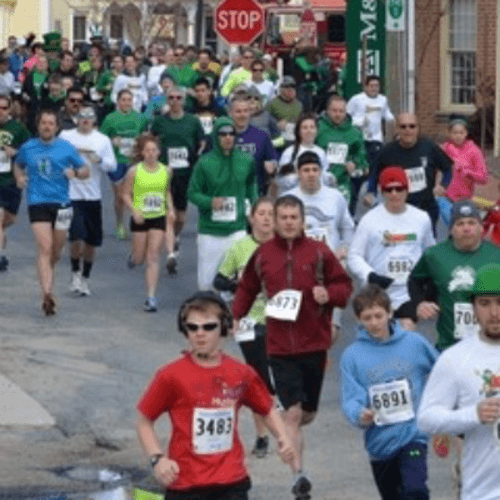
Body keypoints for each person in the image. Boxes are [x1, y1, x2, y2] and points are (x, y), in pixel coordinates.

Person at [233, 195, 352, 499]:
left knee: (307, 414)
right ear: (275, 220)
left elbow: (344, 286)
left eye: (293, 217)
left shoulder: (319, 252)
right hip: (279, 347)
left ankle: (291, 437)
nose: (288, 222)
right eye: (283, 217)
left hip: (313, 344)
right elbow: (247, 288)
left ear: (302, 221)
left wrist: (329, 294)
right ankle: (299, 477)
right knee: (293, 414)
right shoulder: (263, 255)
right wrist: (235, 316)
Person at [135, 291, 297, 499]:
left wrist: (283, 438)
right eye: (192, 327)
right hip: (186, 483)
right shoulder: (170, 375)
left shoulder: (241, 373)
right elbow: (143, 421)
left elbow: (266, 408)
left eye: (209, 326)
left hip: (232, 482)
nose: (199, 333)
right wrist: (157, 459)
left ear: (224, 328)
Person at [340, 284, 438, 500]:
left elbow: (442, 370)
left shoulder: (414, 343)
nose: (374, 323)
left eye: (379, 316)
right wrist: (360, 414)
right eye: (367, 318)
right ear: (358, 319)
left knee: (415, 490)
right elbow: (350, 398)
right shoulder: (352, 356)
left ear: (390, 313)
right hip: (380, 443)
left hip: (413, 434)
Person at [417, 263, 500, 500]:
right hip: (483, 492)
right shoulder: (455, 358)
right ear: (473, 308)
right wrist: (473, 415)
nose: (494, 312)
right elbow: (426, 419)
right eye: (485, 303)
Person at [213, 197, 275, 458]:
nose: (266, 218)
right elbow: (218, 280)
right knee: (259, 380)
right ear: (251, 218)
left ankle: (281, 422)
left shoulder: (287, 247)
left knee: (280, 378)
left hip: (283, 319)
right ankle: (263, 435)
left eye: (271, 214)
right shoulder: (240, 247)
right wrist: (237, 286)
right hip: (249, 321)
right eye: (261, 213)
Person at [14, 109, 89, 315]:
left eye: (50, 123)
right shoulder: (28, 147)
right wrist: (19, 178)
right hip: (37, 201)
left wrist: (75, 173)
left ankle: (48, 275)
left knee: (55, 251)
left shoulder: (66, 148)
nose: (47, 127)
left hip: (62, 203)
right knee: (44, 248)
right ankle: (46, 294)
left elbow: (85, 170)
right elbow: (18, 165)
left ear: (56, 127)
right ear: (38, 126)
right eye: (43, 123)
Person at [348, 166, 435, 330]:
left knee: (406, 331)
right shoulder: (369, 220)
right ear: (382, 191)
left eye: (399, 188)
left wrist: (428, 287)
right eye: (389, 189)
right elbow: (354, 256)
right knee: (380, 335)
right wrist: (370, 275)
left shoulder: (421, 218)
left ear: (407, 190)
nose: (394, 194)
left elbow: (431, 253)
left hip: (408, 292)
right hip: (378, 292)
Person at [408, 199, 500, 352]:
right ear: (451, 230)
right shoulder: (434, 255)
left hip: (492, 345)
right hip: (449, 344)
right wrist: (420, 303)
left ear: (480, 228)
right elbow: (414, 280)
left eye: (471, 223)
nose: (466, 228)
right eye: (460, 224)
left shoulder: (496, 255)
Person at [284, 151, 355, 338]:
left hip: (330, 267)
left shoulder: (335, 197)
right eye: (306, 170)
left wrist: (344, 248)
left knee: (330, 329)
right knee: (299, 326)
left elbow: (348, 227)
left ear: (321, 172)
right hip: (298, 267)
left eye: (315, 170)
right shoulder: (287, 198)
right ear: (298, 172)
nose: (311, 174)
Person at [188, 116, 258, 291]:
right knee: (207, 283)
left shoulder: (246, 160)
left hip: (238, 229)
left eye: (231, 133)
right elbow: (192, 193)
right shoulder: (204, 163)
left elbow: (251, 188)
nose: (228, 137)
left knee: (240, 280)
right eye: (223, 134)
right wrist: (209, 202)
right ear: (215, 136)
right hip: (210, 230)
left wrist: (254, 212)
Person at [59, 106, 117, 297]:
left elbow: (112, 165)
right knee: (76, 237)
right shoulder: (66, 136)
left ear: (94, 121)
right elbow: (56, 156)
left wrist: (98, 160)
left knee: (92, 241)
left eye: (89, 117)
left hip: (93, 196)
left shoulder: (102, 140)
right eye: (82, 117)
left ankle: (85, 278)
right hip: (72, 195)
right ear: (76, 119)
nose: (85, 120)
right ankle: (75, 273)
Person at [364, 113, 453, 231]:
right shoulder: (387, 151)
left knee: (426, 241)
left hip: (426, 208)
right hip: (398, 210)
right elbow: (374, 174)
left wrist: (443, 185)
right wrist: (371, 193)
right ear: (397, 129)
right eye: (403, 126)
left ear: (418, 128)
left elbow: (448, 168)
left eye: (412, 126)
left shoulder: (429, 146)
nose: (408, 130)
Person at [122, 133, 175, 310]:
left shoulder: (166, 171)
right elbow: (125, 194)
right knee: (140, 258)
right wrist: (134, 210)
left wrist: (171, 208)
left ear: (159, 152)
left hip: (158, 216)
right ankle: (134, 257)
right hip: (140, 218)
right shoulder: (134, 171)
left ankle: (151, 297)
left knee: (153, 257)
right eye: (147, 151)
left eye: (154, 150)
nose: (151, 154)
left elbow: (166, 191)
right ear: (142, 153)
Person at [151, 86, 205, 253]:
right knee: (168, 211)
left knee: (180, 215)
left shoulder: (193, 121)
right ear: (167, 100)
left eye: (178, 98)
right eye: (171, 98)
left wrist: (198, 156)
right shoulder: (160, 121)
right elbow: (152, 140)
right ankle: (169, 239)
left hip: (185, 171)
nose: (174, 101)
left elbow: (202, 141)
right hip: (164, 170)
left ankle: (175, 234)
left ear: (184, 100)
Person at [100, 88, 149, 239]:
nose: (127, 103)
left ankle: (136, 220)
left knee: (134, 193)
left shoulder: (140, 118)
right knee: (120, 195)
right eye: (124, 100)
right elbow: (101, 140)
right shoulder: (110, 119)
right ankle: (120, 223)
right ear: (118, 102)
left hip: (133, 161)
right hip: (116, 161)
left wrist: (140, 144)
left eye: (129, 100)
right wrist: (112, 141)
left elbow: (145, 137)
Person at [347, 75, 394, 214]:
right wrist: (358, 122)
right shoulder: (356, 99)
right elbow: (347, 117)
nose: (374, 89)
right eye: (371, 86)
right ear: (365, 87)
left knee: (375, 167)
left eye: (376, 86)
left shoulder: (383, 100)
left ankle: (371, 195)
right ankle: (352, 204)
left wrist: (395, 120)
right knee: (359, 171)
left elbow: (387, 115)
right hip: (359, 139)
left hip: (376, 139)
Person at [316, 95, 368, 213]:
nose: (338, 114)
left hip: (345, 183)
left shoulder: (355, 133)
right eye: (334, 111)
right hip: (320, 181)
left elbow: (362, 159)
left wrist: (355, 164)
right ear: (327, 111)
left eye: (341, 111)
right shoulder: (317, 128)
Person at [437, 117, 489, 226]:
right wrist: (437, 185)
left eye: (461, 132)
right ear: (449, 133)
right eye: (455, 133)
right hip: (446, 198)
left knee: (460, 229)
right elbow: (433, 168)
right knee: (452, 227)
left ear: (466, 133)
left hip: (465, 200)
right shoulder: (444, 149)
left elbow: (484, 178)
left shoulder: (474, 151)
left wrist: (468, 172)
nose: (458, 136)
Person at [0, 95, 31, 271]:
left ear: (10, 110)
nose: (0, 111)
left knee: (10, 218)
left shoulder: (18, 128)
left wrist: (16, 151)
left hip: (11, 179)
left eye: (4, 108)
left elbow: (30, 150)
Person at [229, 94, 278, 195]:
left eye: (246, 111)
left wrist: (272, 166)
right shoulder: (221, 135)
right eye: (238, 111)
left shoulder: (262, 136)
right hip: (228, 192)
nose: (242, 115)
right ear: (230, 113)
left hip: (254, 192)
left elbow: (272, 159)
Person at [276, 113, 331, 195]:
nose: (309, 131)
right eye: (305, 128)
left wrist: (329, 177)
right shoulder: (289, 152)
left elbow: (324, 176)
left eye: (312, 127)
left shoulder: (321, 152)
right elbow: (280, 180)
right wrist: (298, 177)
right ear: (299, 131)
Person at [266, 77, 303, 148]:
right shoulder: (272, 103)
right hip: (278, 139)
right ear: (281, 88)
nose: (290, 89)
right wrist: (277, 124)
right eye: (287, 86)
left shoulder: (299, 104)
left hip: (294, 140)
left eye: (292, 86)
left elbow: (301, 120)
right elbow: (264, 121)